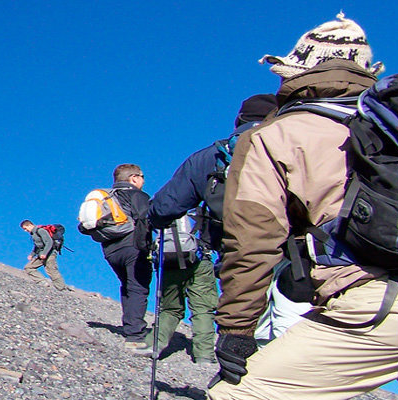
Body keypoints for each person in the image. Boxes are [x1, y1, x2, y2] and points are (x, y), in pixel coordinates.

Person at [208, 14, 398, 399]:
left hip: (374, 303)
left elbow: (253, 242)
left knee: (234, 396)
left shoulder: (275, 135)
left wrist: (237, 331)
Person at [142, 94, 277, 363]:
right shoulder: (302, 141)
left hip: (241, 255)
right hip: (303, 257)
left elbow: (165, 206)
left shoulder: (215, 155)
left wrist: (154, 220)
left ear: (239, 119)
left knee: (247, 327)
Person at [135, 214, 217, 364]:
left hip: (168, 261)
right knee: (203, 309)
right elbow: (214, 226)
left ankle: (154, 345)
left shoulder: (161, 203)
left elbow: (142, 235)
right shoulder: (200, 200)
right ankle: (204, 356)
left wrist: (149, 250)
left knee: (169, 309)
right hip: (199, 259)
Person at [97, 164, 153, 351]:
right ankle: (135, 335)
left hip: (110, 250)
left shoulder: (108, 197)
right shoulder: (137, 195)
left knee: (127, 285)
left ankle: (130, 327)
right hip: (133, 246)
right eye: (142, 177)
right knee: (138, 287)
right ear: (134, 178)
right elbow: (146, 219)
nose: (144, 181)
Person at [20, 220, 68, 291]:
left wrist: (45, 253)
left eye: (25, 228)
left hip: (50, 253)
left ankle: (61, 288)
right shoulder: (33, 234)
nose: (25, 230)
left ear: (29, 225)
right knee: (28, 267)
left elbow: (49, 242)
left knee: (51, 270)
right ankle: (42, 282)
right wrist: (32, 255)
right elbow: (37, 246)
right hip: (41, 254)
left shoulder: (40, 231)